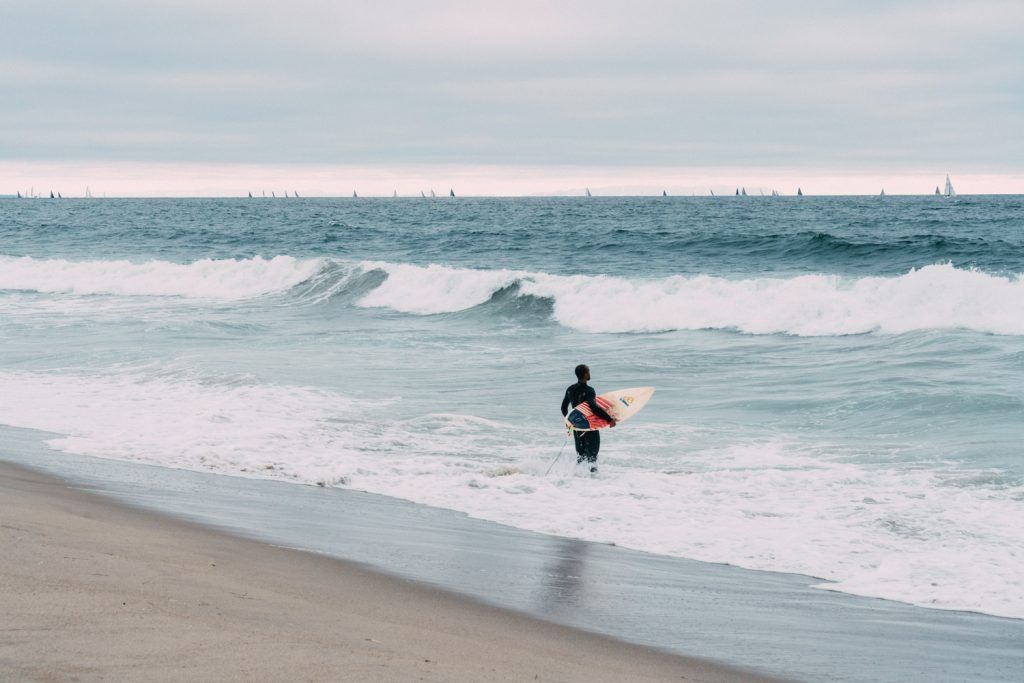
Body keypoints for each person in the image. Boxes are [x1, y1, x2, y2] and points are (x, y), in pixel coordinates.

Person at [560, 364, 616, 473]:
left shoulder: (570, 389)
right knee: (592, 456)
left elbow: (563, 407)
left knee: (581, 456)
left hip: (577, 427)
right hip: (590, 426)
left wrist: (569, 422)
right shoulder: (589, 390)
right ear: (586, 374)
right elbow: (594, 407)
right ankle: (593, 481)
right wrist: (609, 419)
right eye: (588, 372)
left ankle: (577, 479)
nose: (589, 373)